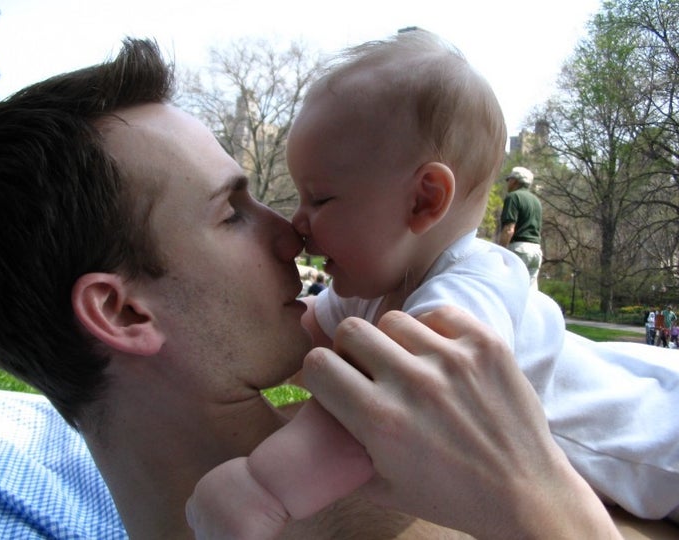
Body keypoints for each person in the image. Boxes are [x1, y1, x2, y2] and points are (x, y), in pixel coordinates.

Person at [0, 38, 630, 540]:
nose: (292, 236)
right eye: (233, 213)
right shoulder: (458, 485)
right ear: (124, 309)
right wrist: (545, 506)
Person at [190, 30, 679, 535]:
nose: (299, 222)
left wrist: (264, 488)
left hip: (662, 445)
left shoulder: (475, 282)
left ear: (424, 201)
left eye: (320, 199)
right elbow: (297, 341)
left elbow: (392, 410)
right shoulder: (369, 289)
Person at [499, 166, 543, 289]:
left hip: (519, 249)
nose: (508, 183)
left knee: (510, 288)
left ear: (515, 181)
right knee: (530, 294)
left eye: (509, 179)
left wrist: (500, 251)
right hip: (535, 251)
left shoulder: (513, 197)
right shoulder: (536, 201)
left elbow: (509, 229)